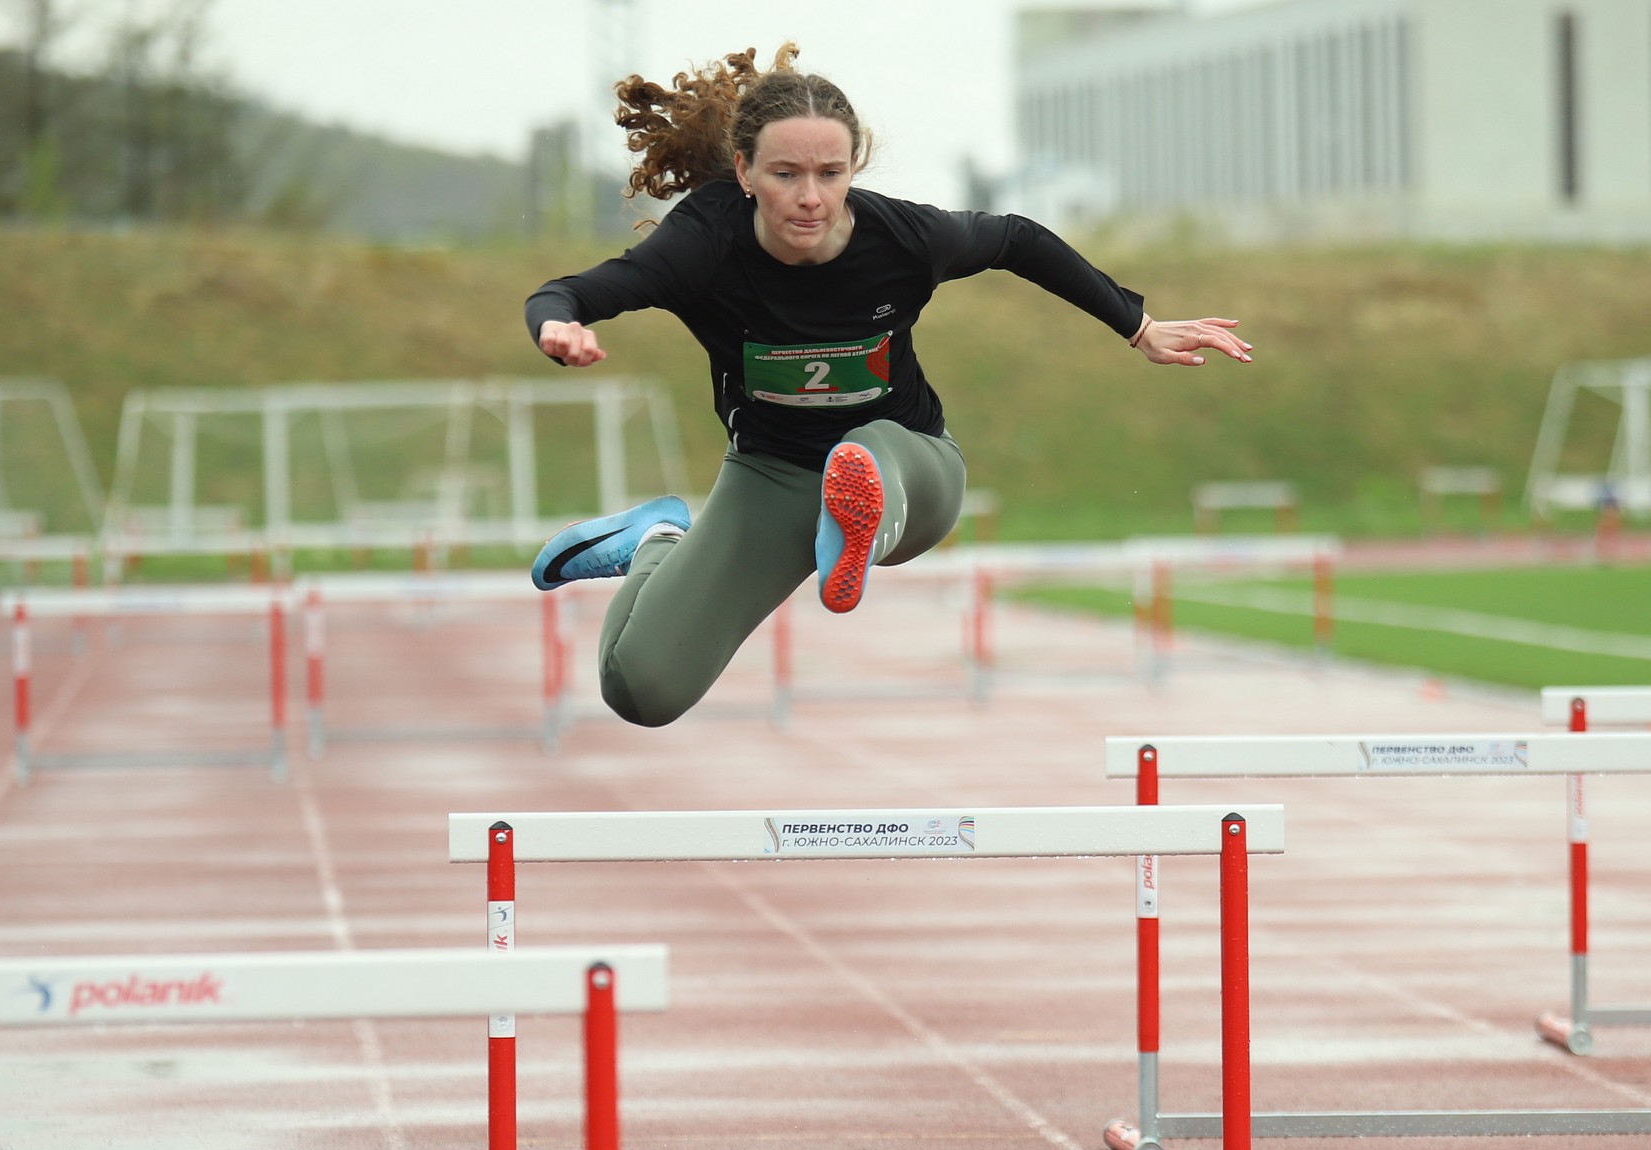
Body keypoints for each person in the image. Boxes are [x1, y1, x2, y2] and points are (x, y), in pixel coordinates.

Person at [527, 42, 1252, 728]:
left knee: (868, 453)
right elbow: (569, 291)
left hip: (912, 462)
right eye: (786, 176)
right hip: (772, 474)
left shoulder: (903, 239)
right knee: (641, 688)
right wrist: (560, 328)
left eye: (831, 174)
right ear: (744, 172)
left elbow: (1016, 239)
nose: (811, 197)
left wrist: (1138, 325)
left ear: (853, 168)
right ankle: (660, 538)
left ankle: (861, 495)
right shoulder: (701, 246)